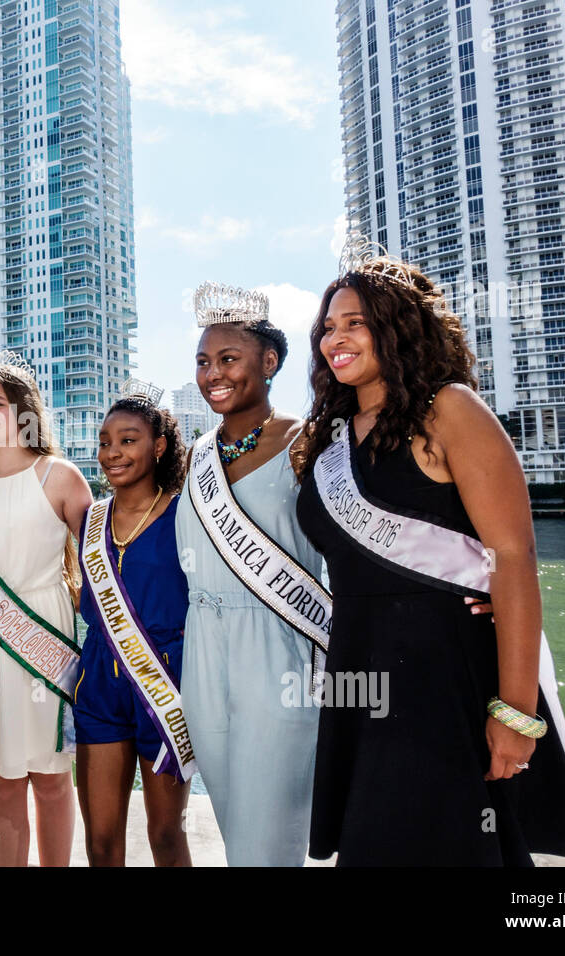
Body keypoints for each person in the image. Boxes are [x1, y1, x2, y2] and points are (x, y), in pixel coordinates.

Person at [292, 239, 565, 865]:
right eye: (327, 327)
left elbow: (511, 557)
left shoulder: (450, 411)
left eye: (356, 323)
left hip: (443, 673)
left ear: (399, 329)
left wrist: (517, 711)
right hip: (357, 669)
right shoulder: (328, 441)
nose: (335, 338)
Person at [175, 282, 329, 866]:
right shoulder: (197, 455)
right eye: (203, 361)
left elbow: (352, 543)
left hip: (281, 646)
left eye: (228, 359)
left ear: (268, 363)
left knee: (272, 833)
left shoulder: (305, 441)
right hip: (203, 653)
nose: (212, 372)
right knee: (237, 824)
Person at [0, 350, 92, 867]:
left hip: (43, 636)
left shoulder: (59, 476)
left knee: (51, 777)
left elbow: (102, 568)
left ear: (24, 410)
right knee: (2, 780)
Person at [75, 382, 194, 867]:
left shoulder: (185, 512)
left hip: (166, 680)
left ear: (158, 445)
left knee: (166, 833)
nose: (112, 453)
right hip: (100, 682)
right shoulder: (90, 520)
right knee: (101, 842)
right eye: (105, 441)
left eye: (128, 440)